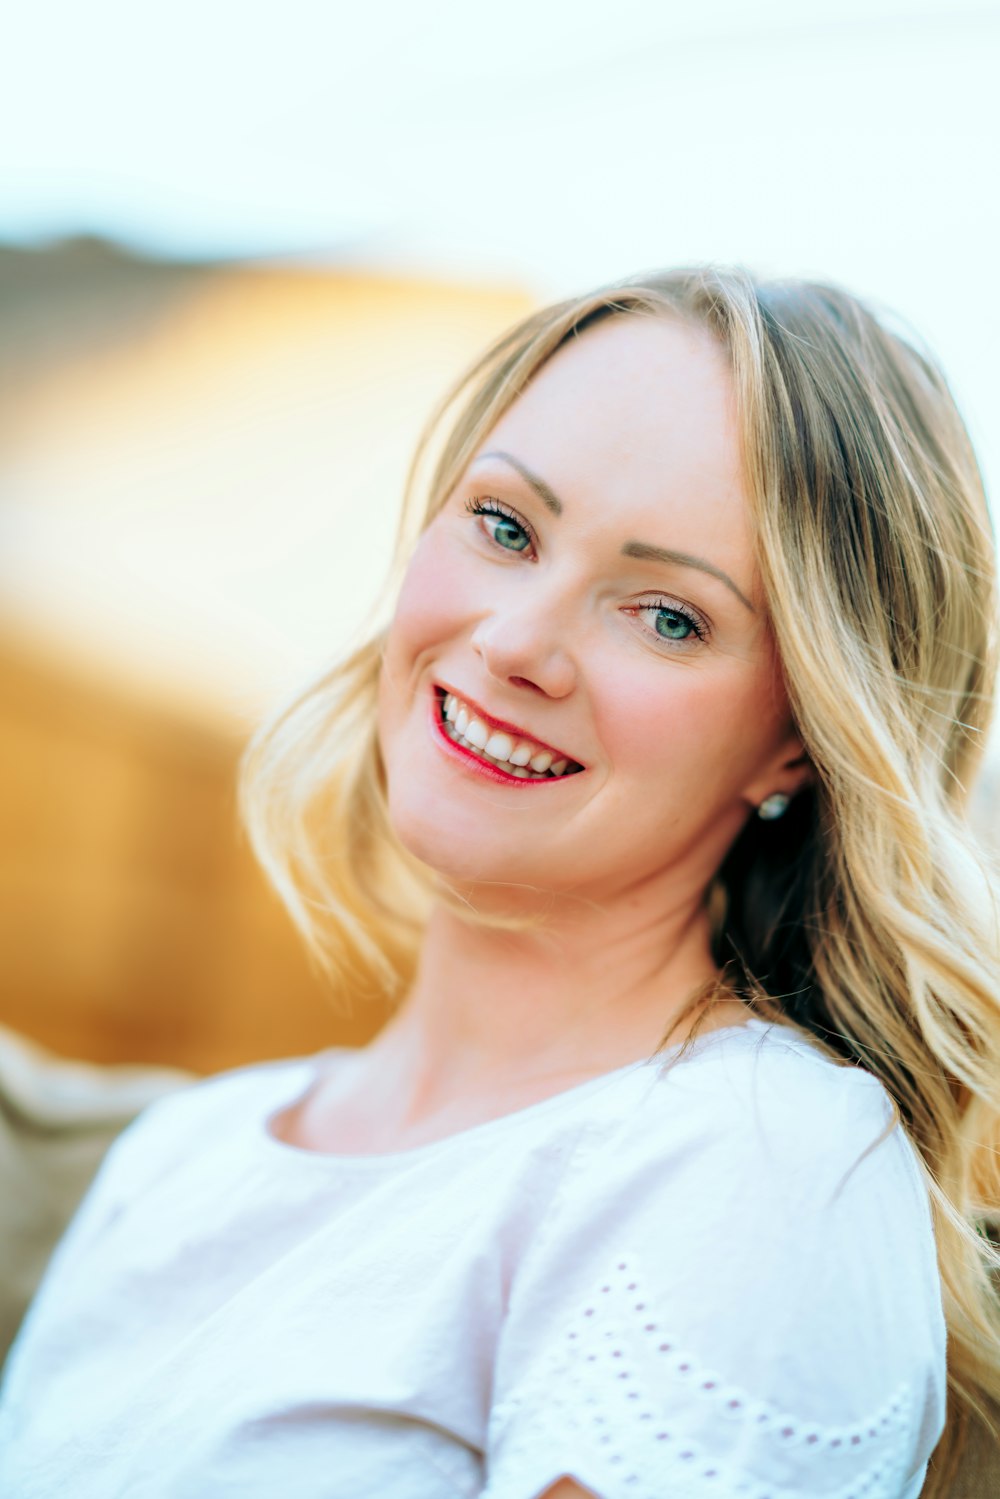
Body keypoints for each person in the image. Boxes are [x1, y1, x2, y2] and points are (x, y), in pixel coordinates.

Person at [1, 266, 998, 1499]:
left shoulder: (754, 1161)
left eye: (668, 615)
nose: (516, 641)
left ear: (798, 737)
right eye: (507, 526)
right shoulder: (180, 1155)